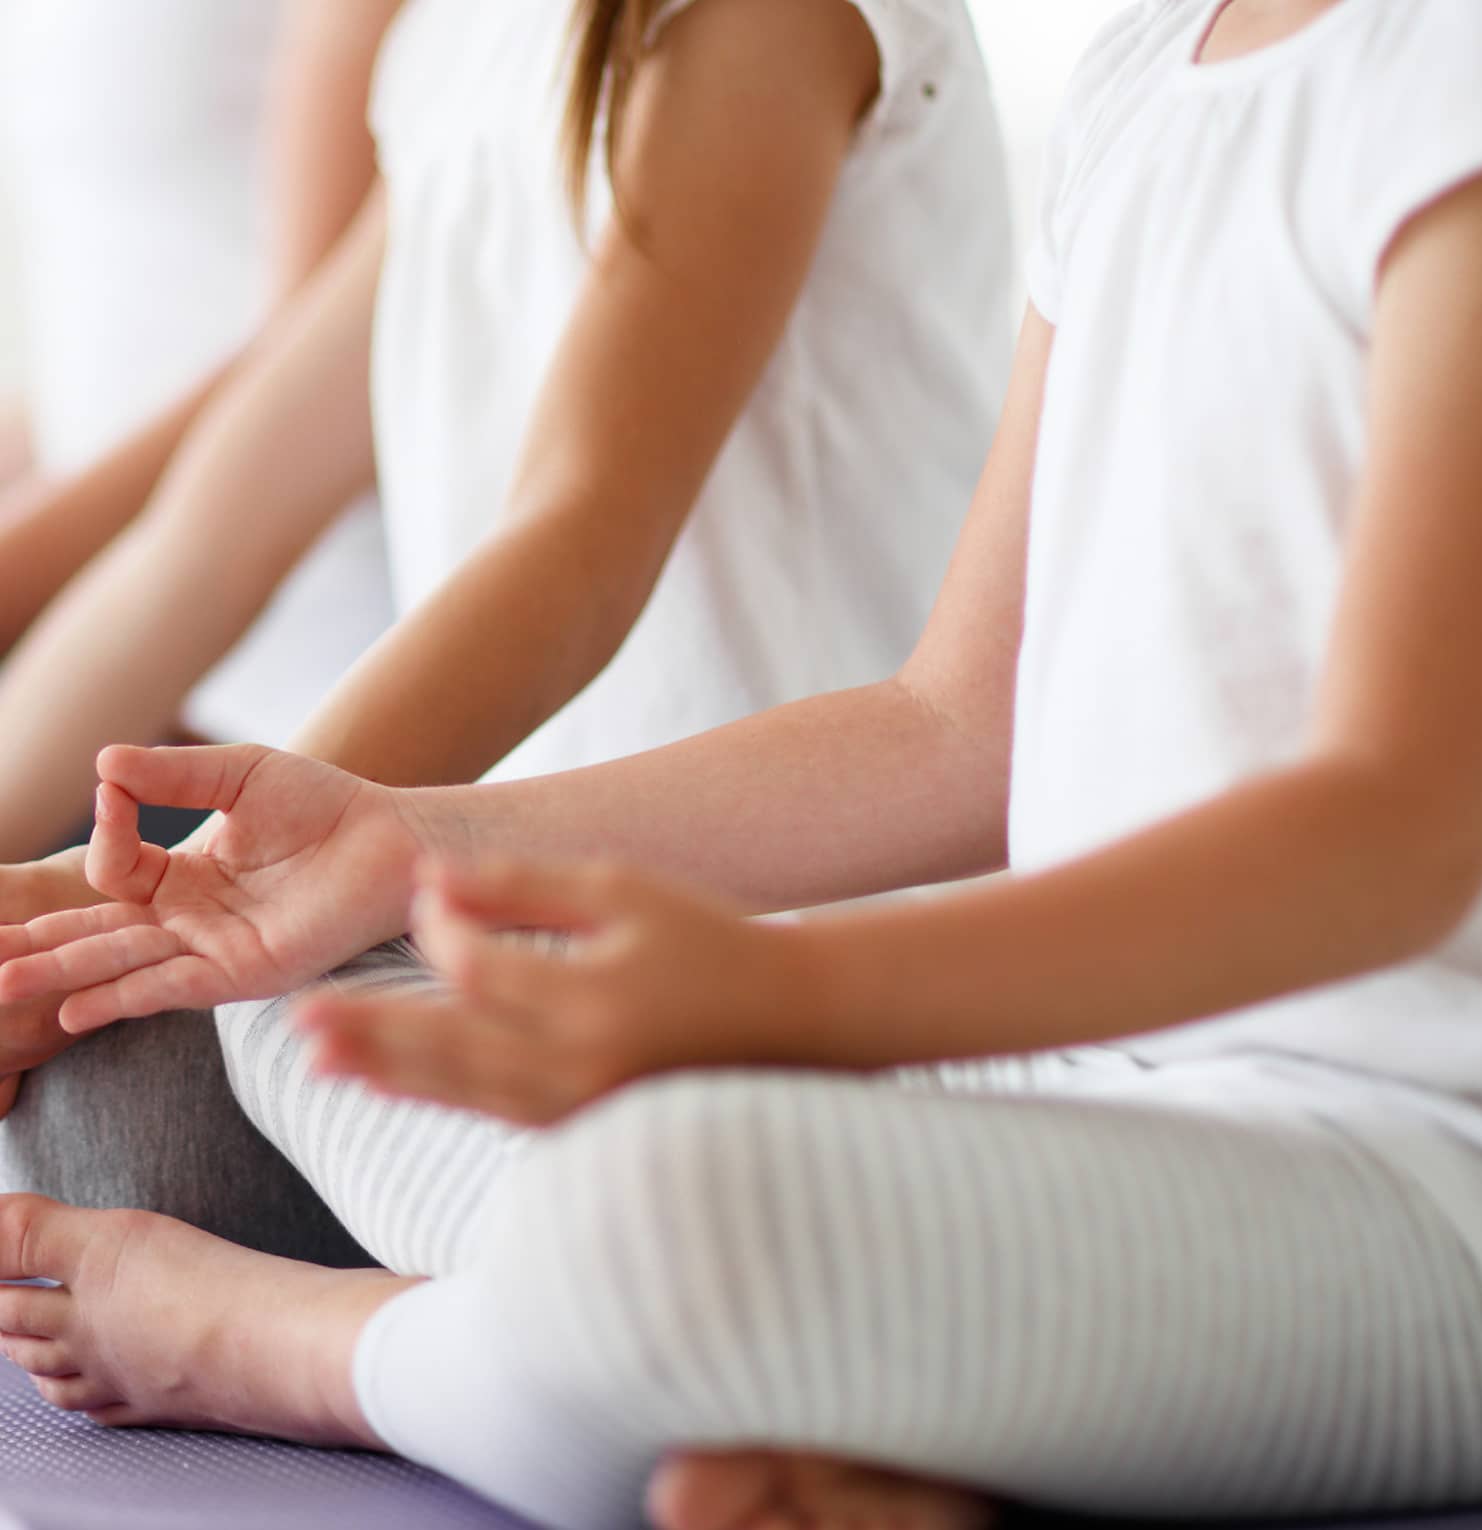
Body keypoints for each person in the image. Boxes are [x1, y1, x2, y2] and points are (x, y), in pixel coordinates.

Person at [11, 0, 1482, 1525]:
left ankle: (310, 1348)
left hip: (1431, 1169)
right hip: (1087, 1075)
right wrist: (399, 844)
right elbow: (951, 729)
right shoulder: (1143, 75)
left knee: (677, 1207)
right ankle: (811, 1417)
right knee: (287, 988)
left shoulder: (1466, 67)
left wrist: (789, 1001)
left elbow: (1395, 836)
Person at [0, 0, 1010, 1267]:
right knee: (102, 1086)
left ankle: (343, 1338)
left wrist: (203, 882)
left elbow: (577, 541)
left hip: (782, 936)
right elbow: (202, 543)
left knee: (135, 1119)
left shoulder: (760, 24)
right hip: (502, 911)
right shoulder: (456, 44)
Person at [0, 0, 396, 846]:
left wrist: (20, 570)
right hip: (107, 658)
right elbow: (113, 347)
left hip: (287, 684)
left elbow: (306, 363)